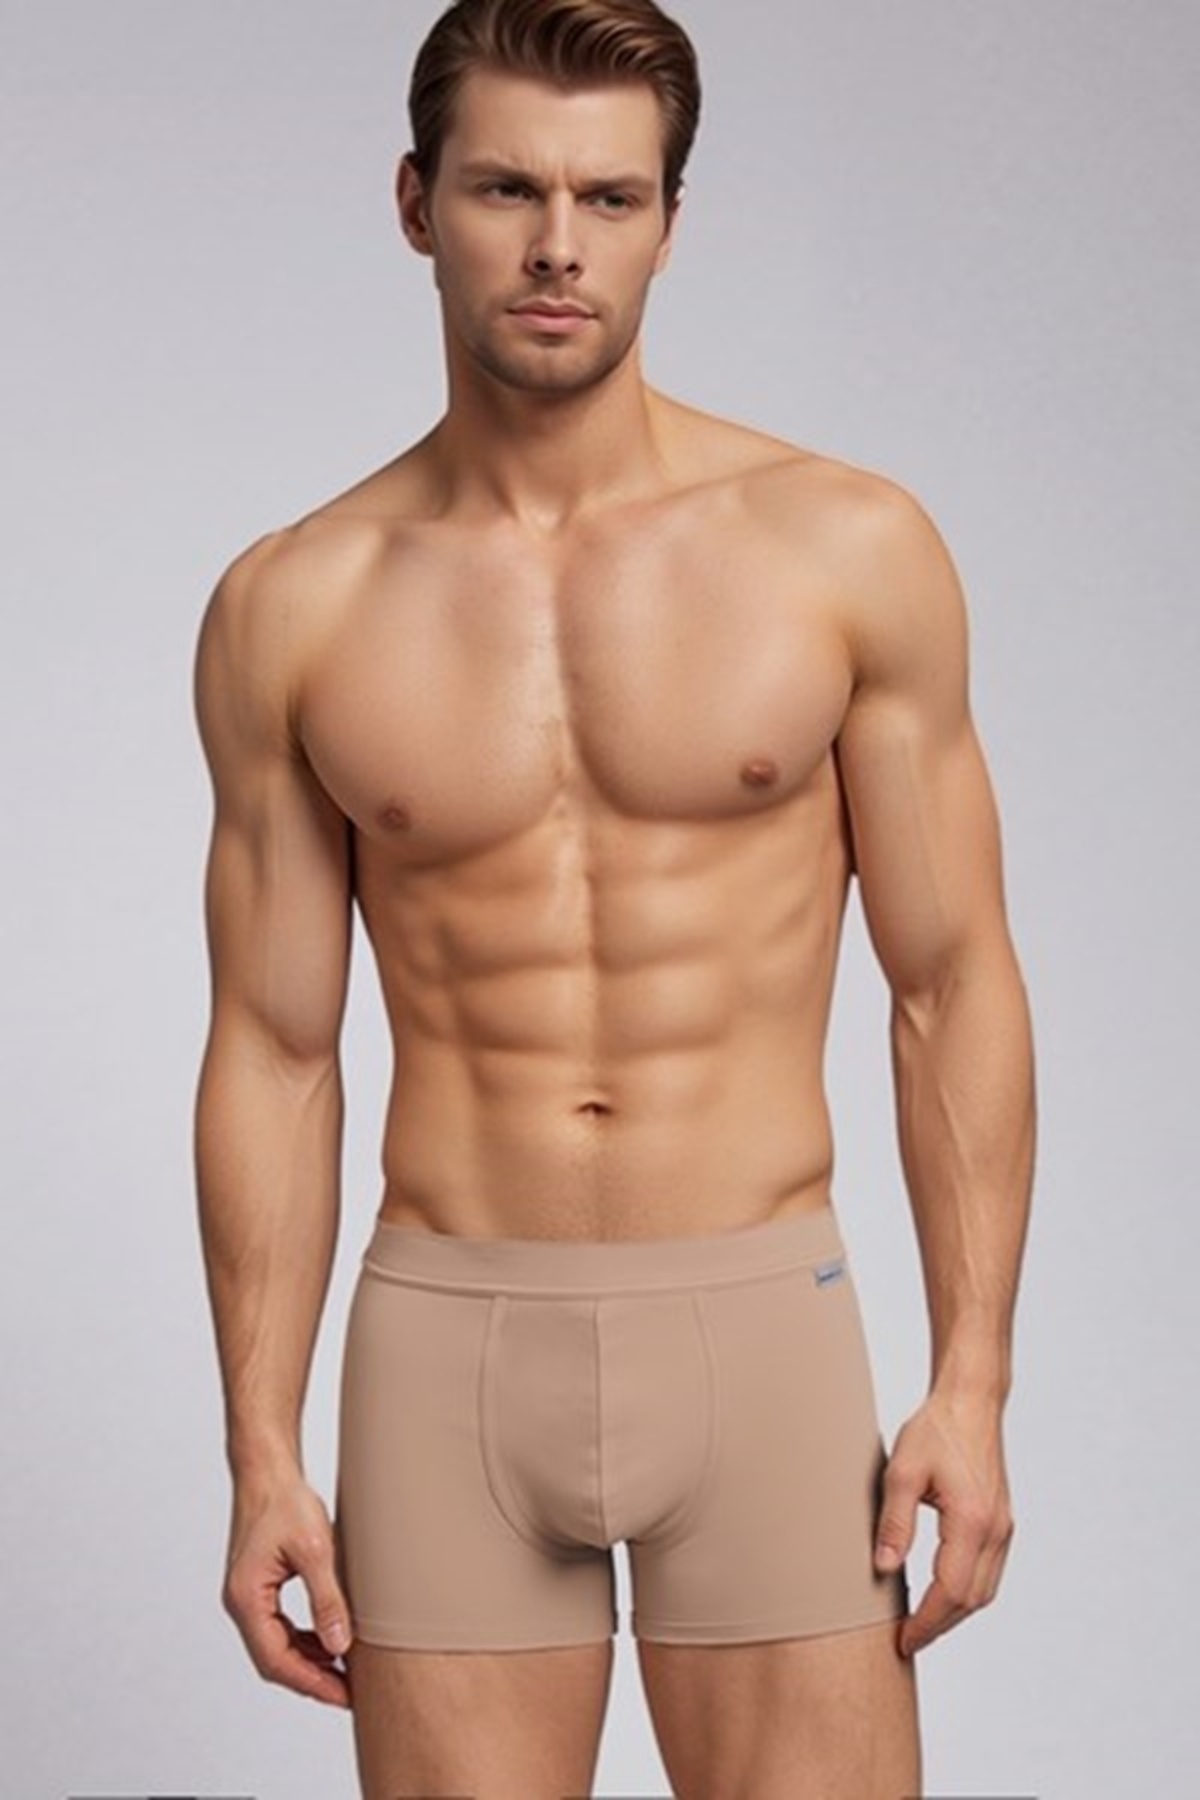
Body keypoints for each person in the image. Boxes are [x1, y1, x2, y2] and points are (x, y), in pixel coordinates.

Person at [192, 1, 1037, 1794]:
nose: (559, 246)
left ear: (670, 222)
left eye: (611, 197)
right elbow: (274, 1048)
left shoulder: (844, 551)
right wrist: (260, 1448)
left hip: (763, 1326)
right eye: (508, 189)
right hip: (445, 1351)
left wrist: (972, 1384)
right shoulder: (296, 605)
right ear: (417, 205)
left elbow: (950, 984)